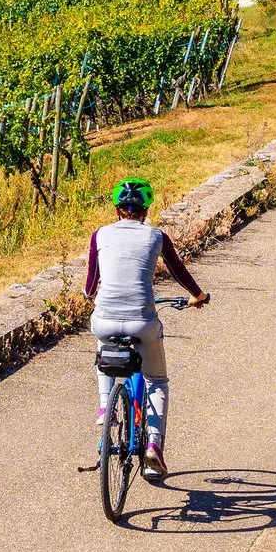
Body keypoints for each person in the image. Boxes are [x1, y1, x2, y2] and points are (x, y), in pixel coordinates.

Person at [87, 177, 208, 480]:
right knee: (157, 380)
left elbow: (91, 285)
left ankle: (105, 410)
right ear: (145, 209)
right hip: (142, 320)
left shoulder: (99, 235)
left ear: (116, 209)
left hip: (105, 317)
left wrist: (96, 299)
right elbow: (179, 271)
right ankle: (154, 445)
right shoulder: (156, 236)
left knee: (104, 349)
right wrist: (198, 296)